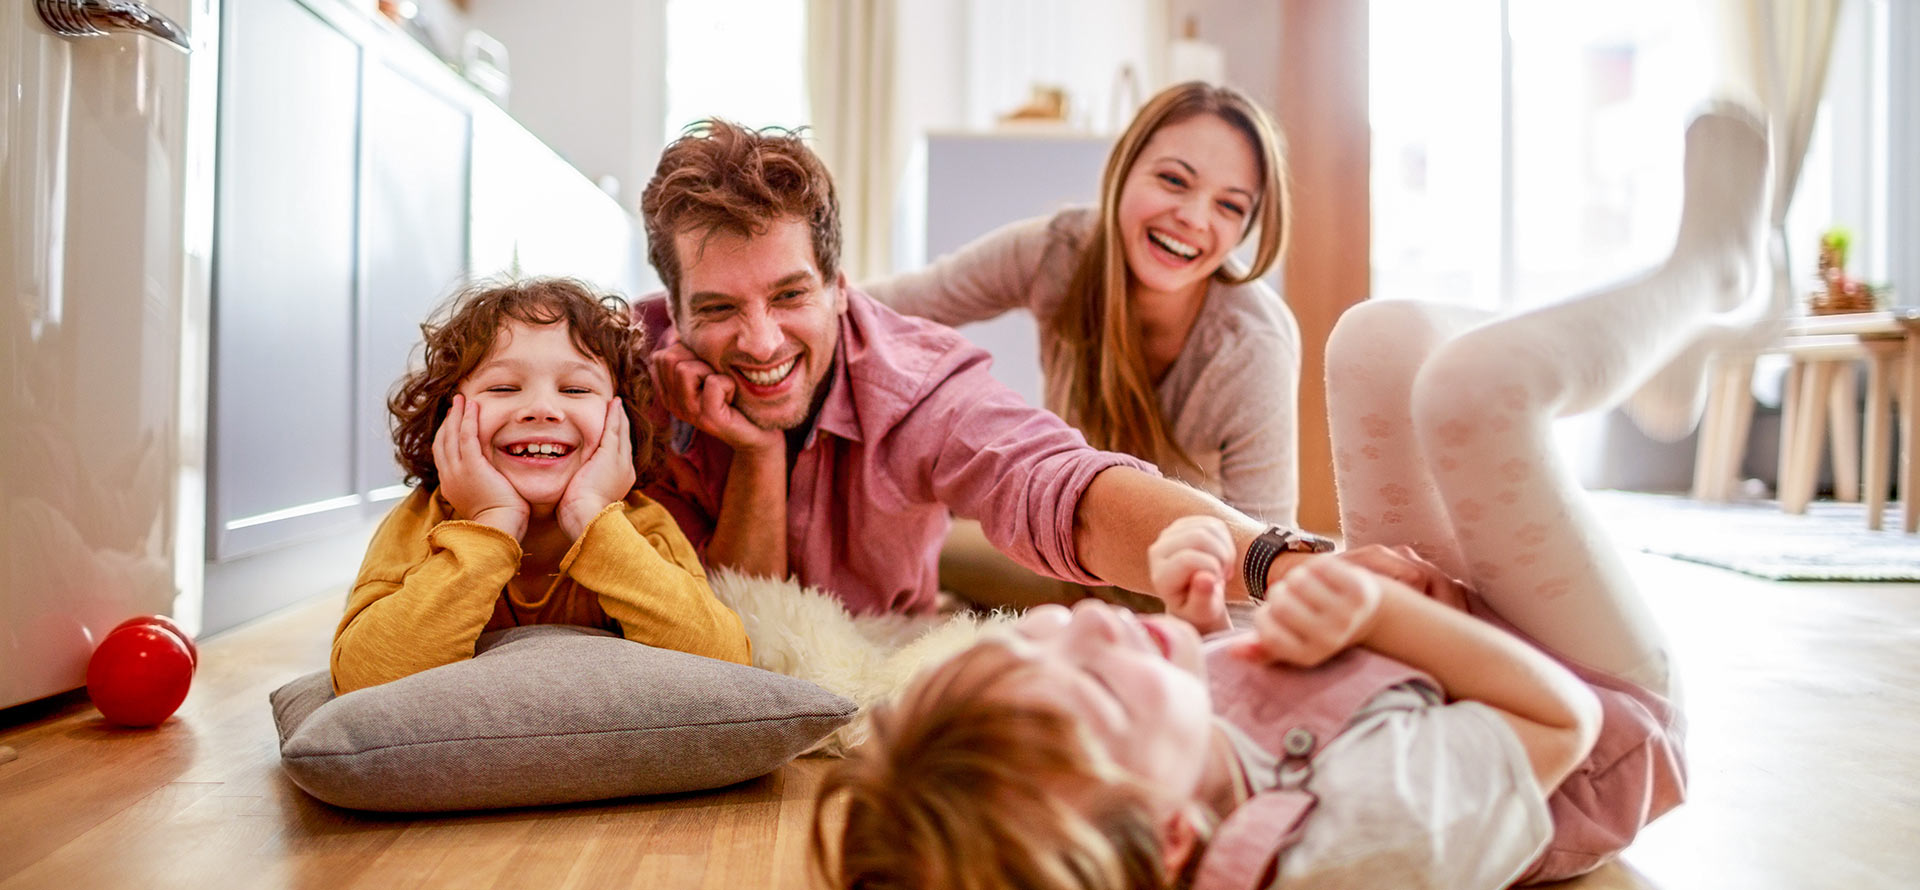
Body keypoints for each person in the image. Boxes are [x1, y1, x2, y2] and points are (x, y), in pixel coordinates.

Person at [811, 100, 1772, 888]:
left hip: (1396, 635)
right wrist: (1375, 612)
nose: (1091, 623)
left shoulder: (1248, 340)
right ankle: (1705, 281)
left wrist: (1199, 619)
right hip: (1600, 719)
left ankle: (1651, 351)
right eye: (1175, 180)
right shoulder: (1349, 846)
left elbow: (1253, 598)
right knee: (1475, 393)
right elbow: (1562, 722)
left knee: (1375, 338)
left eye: (1231, 205)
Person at [636, 119, 1317, 618]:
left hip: (1174, 554)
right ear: (675, 310)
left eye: (790, 295)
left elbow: (1052, 483)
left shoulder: (920, 390)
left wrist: (1275, 561)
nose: (761, 343)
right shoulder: (632, 368)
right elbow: (734, 640)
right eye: (719, 308)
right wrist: (757, 452)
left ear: (841, 290)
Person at [865, 81, 1300, 525]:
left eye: (1230, 206)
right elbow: (890, 305)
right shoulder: (1059, 253)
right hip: (1062, 539)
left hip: (1185, 563)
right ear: (1123, 168)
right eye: (1173, 180)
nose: (1194, 218)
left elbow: (1267, 549)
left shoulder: (1252, 349)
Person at [331, 277, 750, 694]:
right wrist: (492, 524)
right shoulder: (418, 522)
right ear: (447, 418)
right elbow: (360, 679)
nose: (542, 409)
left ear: (621, 421)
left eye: (575, 389)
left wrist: (592, 519)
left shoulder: (642, 526)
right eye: (503, 387)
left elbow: (725, 663)